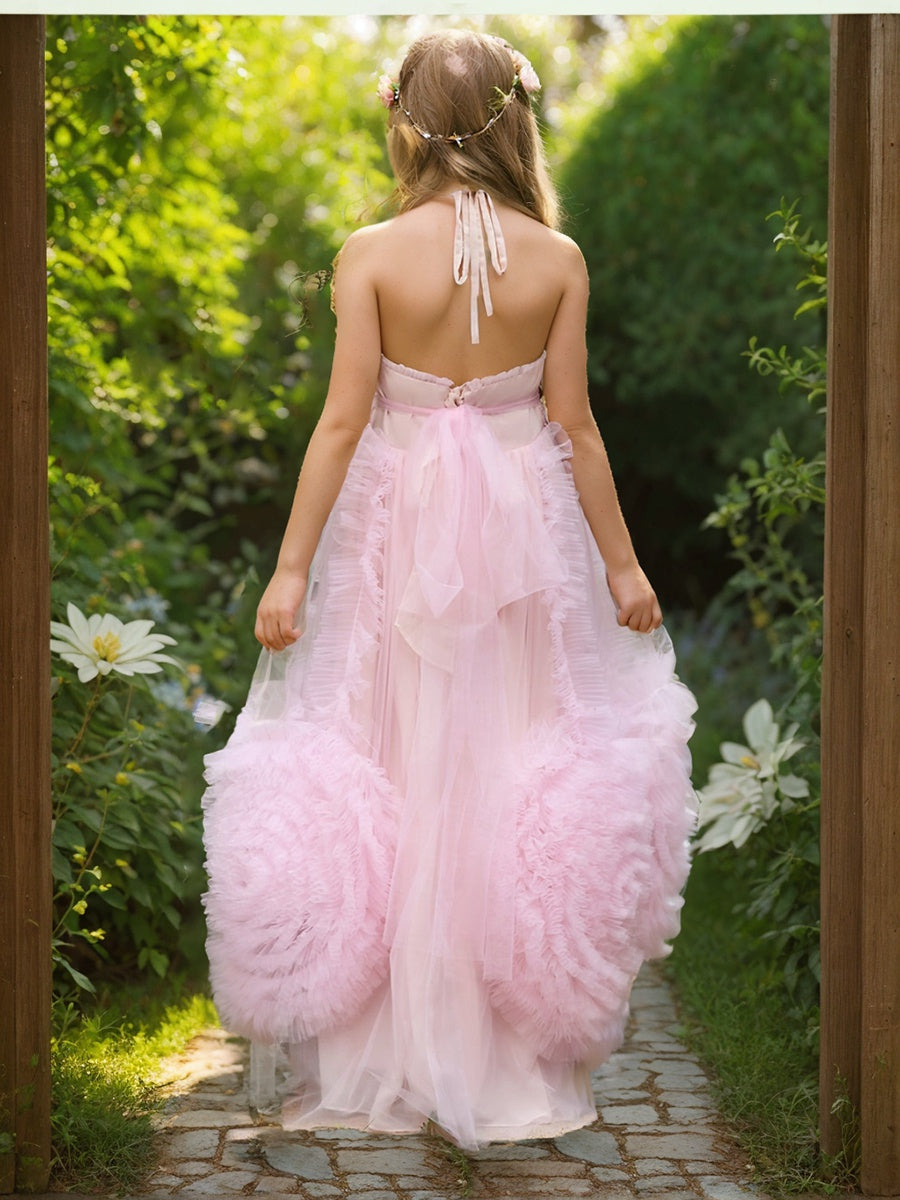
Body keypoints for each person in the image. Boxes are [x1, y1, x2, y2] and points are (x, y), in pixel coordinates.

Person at [202, 29, 697, 1151]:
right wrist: (622, 565)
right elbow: (572, 428)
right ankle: (504, 1048)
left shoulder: (370, 252)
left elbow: (342, 422)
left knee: (394, 758)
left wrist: (290, 569)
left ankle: (391, 1048)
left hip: (394, 538)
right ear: (516, 119)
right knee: (510, 761)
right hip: (526, 549)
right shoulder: (557, 259)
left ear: (406, 120)